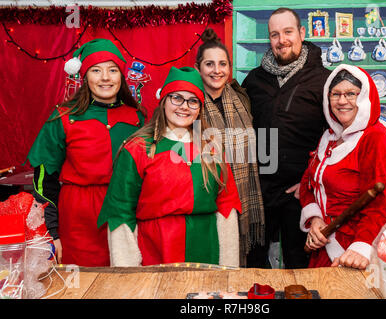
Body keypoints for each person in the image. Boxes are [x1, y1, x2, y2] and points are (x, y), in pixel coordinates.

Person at [97, 66, 242, 267]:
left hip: (206, 251)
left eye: (193, 101)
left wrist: (228, 269)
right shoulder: (137, 148)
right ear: (164, 101)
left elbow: (226, 208)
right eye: (177, 98)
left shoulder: (212, 148)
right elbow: (121, 213)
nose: (184, 106)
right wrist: (127, 274)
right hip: (156, 252)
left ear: (200, 108)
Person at [27, 38, 147, 267]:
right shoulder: (62, 117)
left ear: (120, 76)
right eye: (96, 70)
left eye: (112, 70)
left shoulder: (137, 117)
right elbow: (44, 181)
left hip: (126, 215)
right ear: (85, 76)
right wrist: (52, 232)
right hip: (79, 219)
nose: (105, 77)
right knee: (82, 285)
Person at [241, 8, 331, 268]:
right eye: (274, 35)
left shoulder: (323, 80)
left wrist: (308, 182)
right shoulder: (254, 80)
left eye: (288, 32)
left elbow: (334, 138)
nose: (282, 40)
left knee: (300, 266)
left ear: (302, 33)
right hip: (260, 192)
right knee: (256, 266)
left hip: (302, 194)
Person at [299, 64, 386, 269]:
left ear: (364, 98)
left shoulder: (376, 138)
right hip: (324, 246)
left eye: (351, 94)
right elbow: (309, 181)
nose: (342, 101)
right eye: (336, 94)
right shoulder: (330, 137)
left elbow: (381, 205)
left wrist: (361, 248)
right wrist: (315, 219)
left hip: (354, 252)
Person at [194, 28, 265, 267]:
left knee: (241, 263)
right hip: (208, 196)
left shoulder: (241, 98)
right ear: (198, 68)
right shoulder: (190, 103)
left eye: (222, 64)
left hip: (244, 193)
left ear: (229, 68)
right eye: (209, 64)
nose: (217, 70)